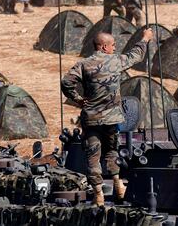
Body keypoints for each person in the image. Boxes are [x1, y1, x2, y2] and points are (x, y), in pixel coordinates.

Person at [61, 29, 154, 206]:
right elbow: (137, 55)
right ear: (104, 46)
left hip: (92, 120)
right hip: (112, 120)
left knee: (92, 157)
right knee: (112, 151)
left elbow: (66, 82)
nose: (115, 47)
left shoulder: (84, 64)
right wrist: (145, 38)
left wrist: (79, 100)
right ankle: (118, 185)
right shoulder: (116, 61)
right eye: (113, 45)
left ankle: (98, 194)